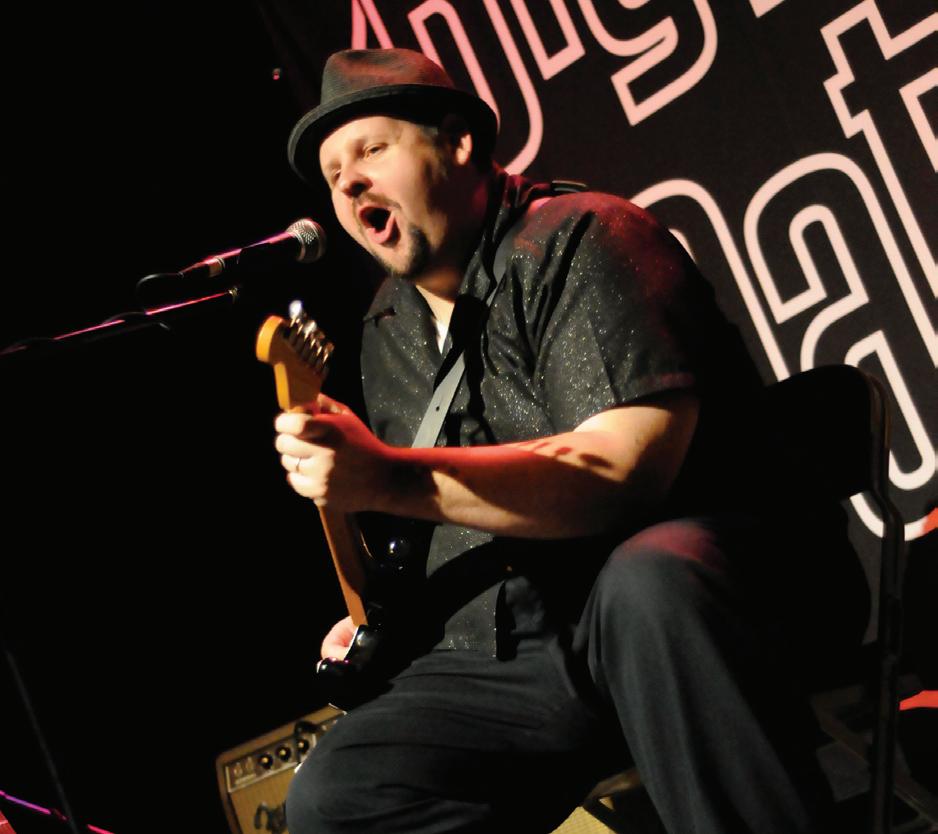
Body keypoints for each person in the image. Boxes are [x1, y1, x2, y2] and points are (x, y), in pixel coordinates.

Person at [275, 48, 867, 834]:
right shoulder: (387, 327)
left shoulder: (584, 237)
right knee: (337, 793)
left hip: (700, 609)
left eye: (372, 150)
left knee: (648, 579)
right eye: (332, 173)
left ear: (458, 142)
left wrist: (388, 478)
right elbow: (453, 533)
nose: (348, 184)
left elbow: (620, 474)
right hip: (530, 653)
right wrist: (390, 622)